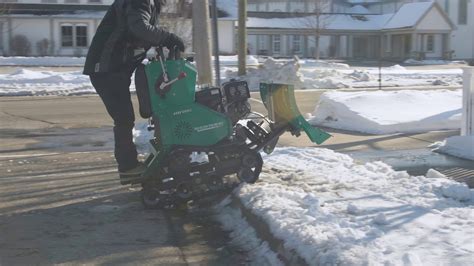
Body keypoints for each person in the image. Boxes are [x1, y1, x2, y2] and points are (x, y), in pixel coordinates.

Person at [83, 0, 184, 181]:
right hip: (106, 68)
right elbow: (140, 28)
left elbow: (139, 34)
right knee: (124, 118)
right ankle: (128, 168)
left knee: (125, 118)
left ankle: (132, 165)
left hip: (113, 67)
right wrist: (167, 38)